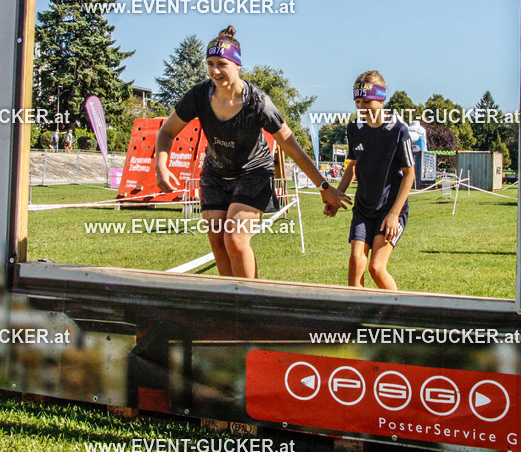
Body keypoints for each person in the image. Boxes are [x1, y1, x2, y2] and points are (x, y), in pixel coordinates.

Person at [155, 26, 350, 279]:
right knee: (218, 242)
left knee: (235, 239)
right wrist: (161, 165)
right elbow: (166, 132)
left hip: (253, 173)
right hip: (215, 174)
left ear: (237, 65)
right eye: (210, 64)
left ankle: (251, 302)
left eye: (222, 64)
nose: (215, 71)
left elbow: (292, 146)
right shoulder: (199, 96)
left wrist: (323, 187)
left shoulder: (258, 103)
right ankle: (232, 304)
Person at [326, 71, 414, 290]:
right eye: (357, 102)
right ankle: (356, 317)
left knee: (376, 268)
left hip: (389, 210)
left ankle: (397, 315)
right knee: (356, 262)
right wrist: (336, 196)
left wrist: (394, 214)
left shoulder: (398, 131)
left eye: (367, 101)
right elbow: (351, 166)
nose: (362, 107)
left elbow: (410, 174)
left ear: (381, 99)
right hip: (363, 209)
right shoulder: (355, 129)